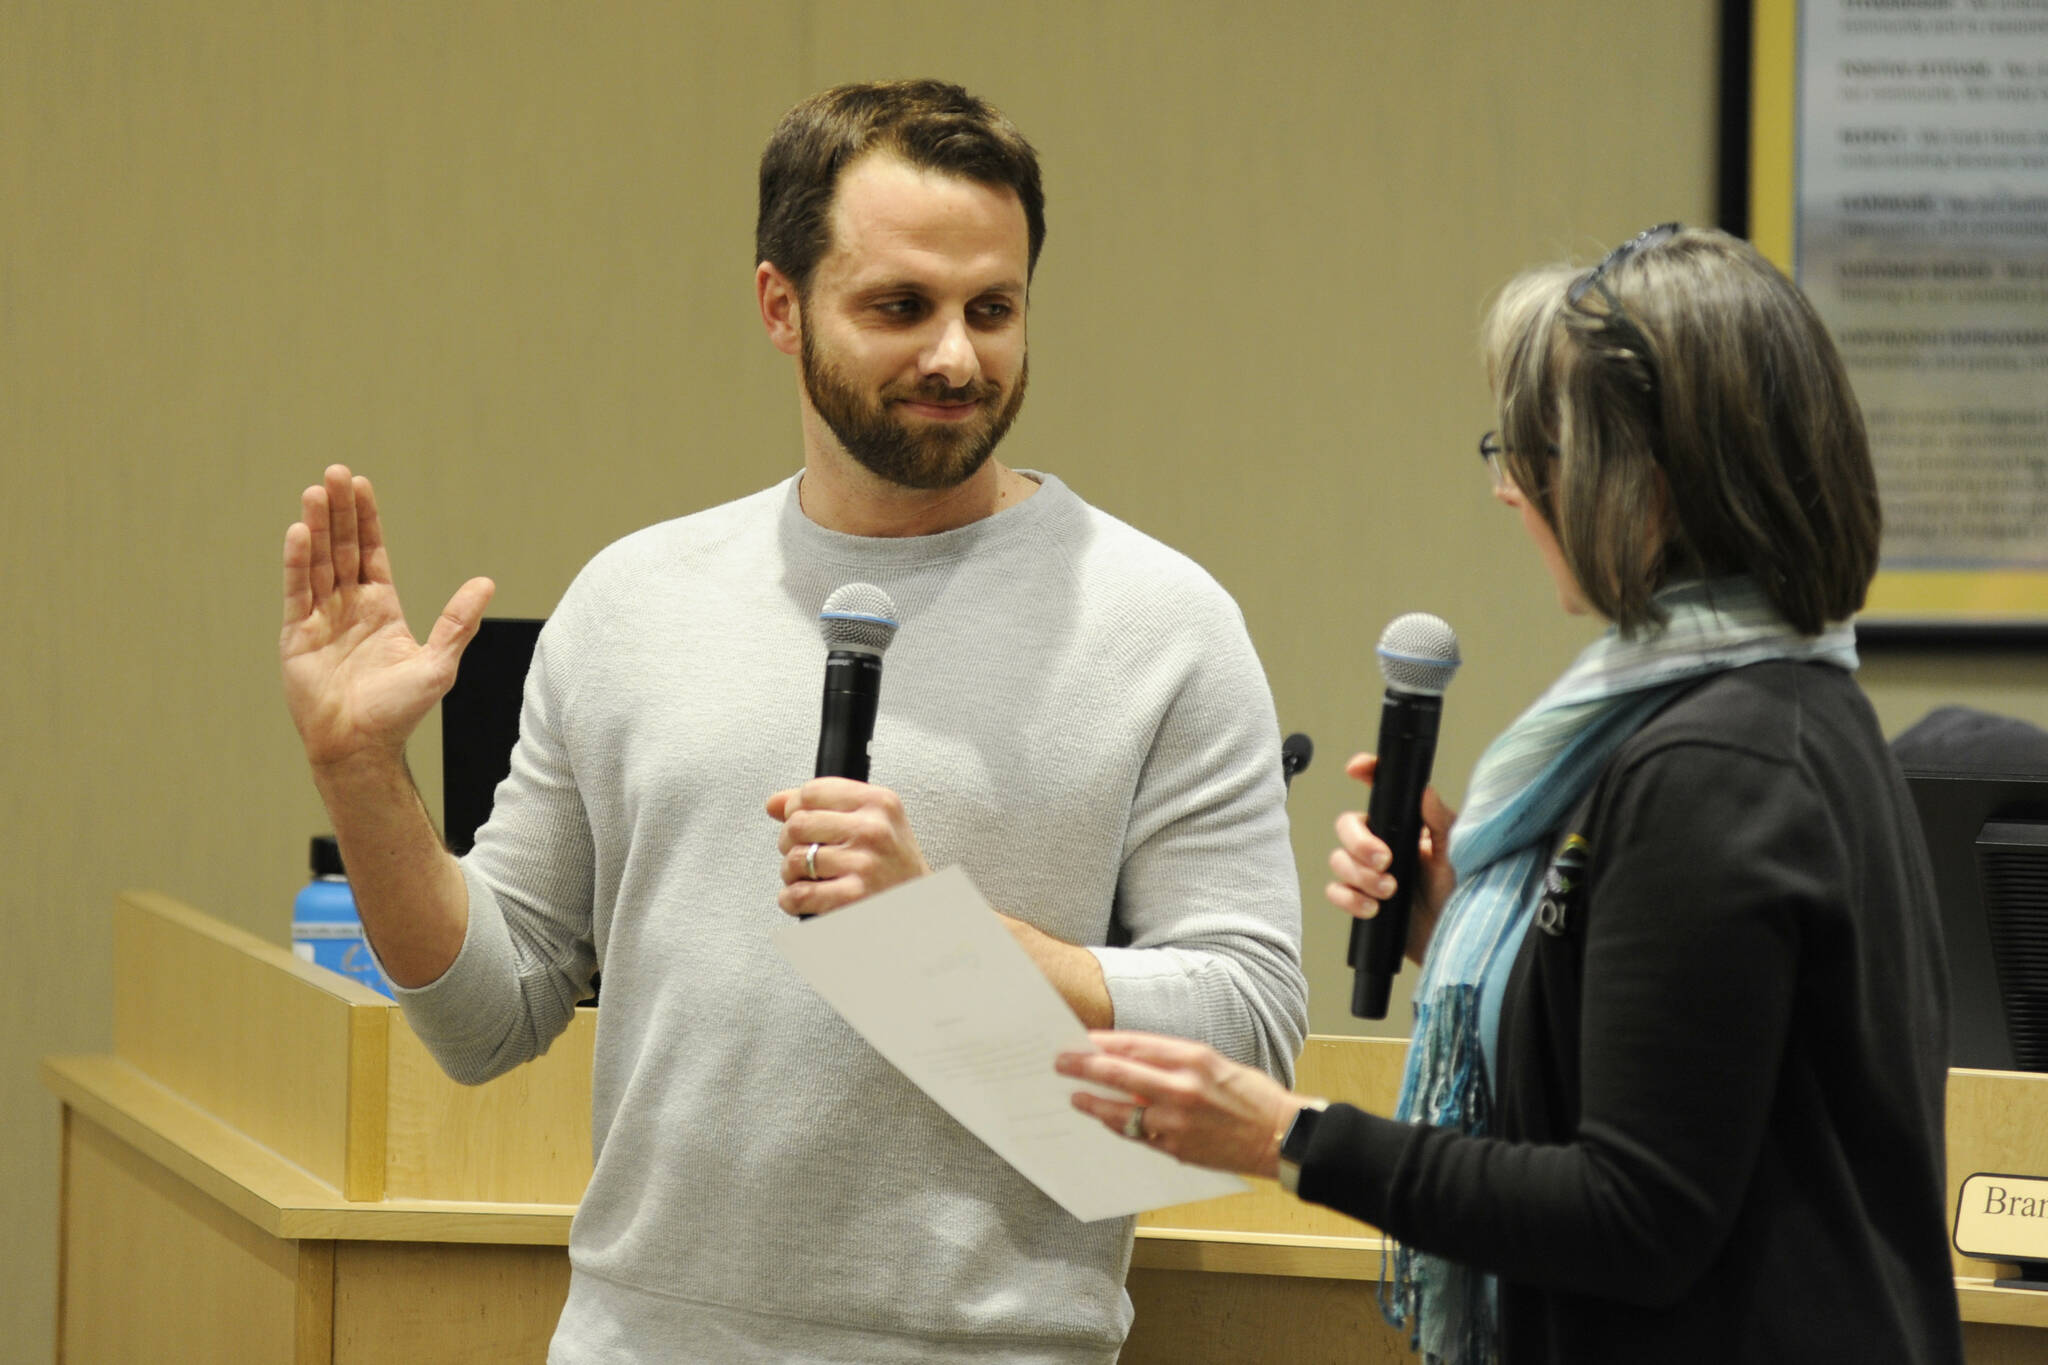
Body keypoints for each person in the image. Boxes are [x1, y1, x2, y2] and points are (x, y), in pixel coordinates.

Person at [278, 80, 1306, 1364]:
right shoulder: (634, 600)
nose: (955, 356)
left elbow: (1255, 1020)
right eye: (899, 307)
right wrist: (359, 773)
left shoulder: (1159, 622)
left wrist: (950, 943)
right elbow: (487, 1021)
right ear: (780, 305)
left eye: (993, 309)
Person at [1060, 225, 1965, 1364]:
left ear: (1645, 480)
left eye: (1530, 449)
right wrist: (1461, 927)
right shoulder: (1769, 710)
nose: (1508, 492)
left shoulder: (1719, 767)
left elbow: (1635, 1215)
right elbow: (1683, 1065)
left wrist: (1285, 1136)